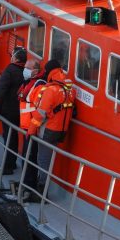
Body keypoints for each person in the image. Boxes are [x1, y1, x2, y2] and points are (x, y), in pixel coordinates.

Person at [27, 59, 76, 191]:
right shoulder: (70, 90)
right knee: (48, 160)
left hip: (48, 131)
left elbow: (40, 114)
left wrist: (31, 131)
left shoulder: (51, 90)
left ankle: (41, 191)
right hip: (61, 131)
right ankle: (42, 186)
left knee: (43, 160)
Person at [0, 47, 27, 175]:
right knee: (15, 137)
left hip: (8, 110)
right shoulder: (26, 71)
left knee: (9, 138)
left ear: (16, 58)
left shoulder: (10, 71)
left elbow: (1, 90)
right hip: (21, 111)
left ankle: (8, 166)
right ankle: (13, 162)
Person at [17, 59, 45, 199]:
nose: (25, 70)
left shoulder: (39, 86)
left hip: (32, 128)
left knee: (30, 158)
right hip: (26, 127)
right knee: (26, 157)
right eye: (25, 67)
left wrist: (32, 128)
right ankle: (26, 184)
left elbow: (39, 110)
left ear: (35, 70)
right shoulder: (29, 82)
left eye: (28, 68)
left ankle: (29, 186)